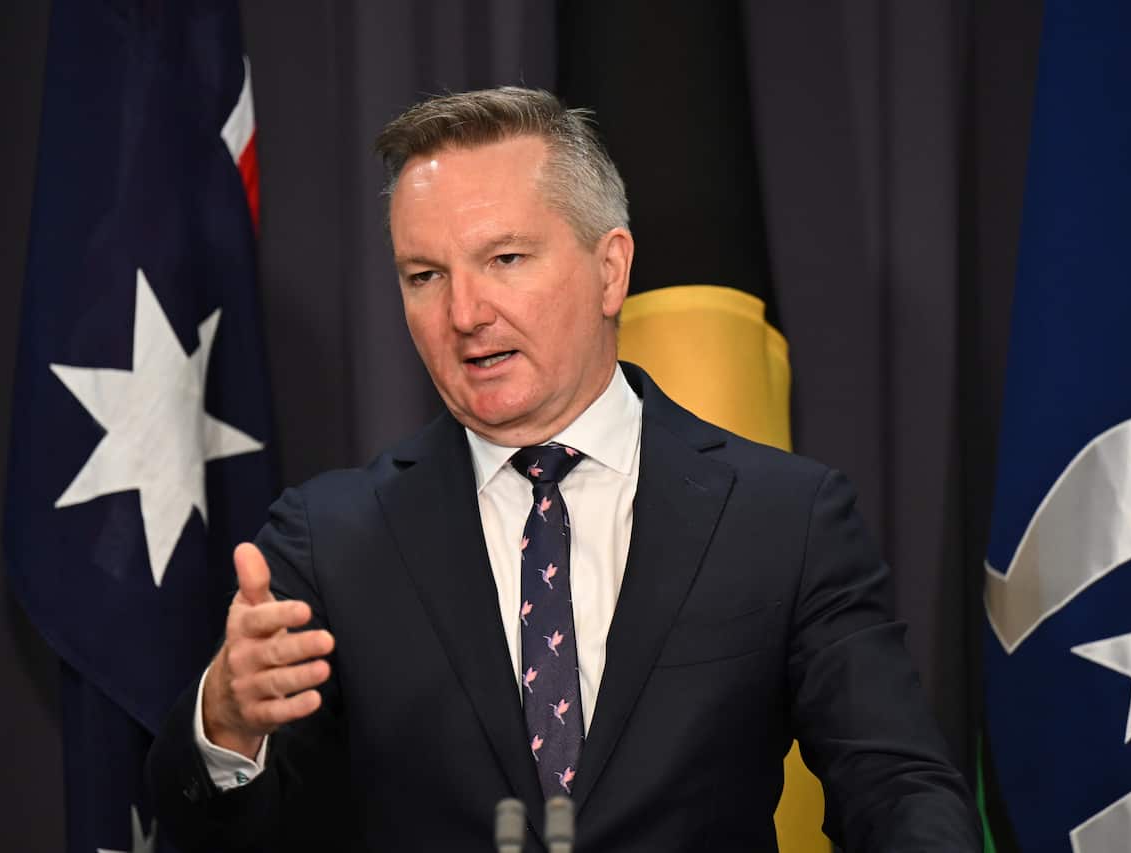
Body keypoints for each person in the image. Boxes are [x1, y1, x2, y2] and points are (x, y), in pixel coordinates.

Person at [146, 87, 980, 852]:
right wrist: (227, 722)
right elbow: (217, 836)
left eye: (505, 259)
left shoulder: (784, 518)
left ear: (610, 269)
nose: (464, 313)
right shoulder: (329, 540)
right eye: (425, 276)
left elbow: (899, 786)